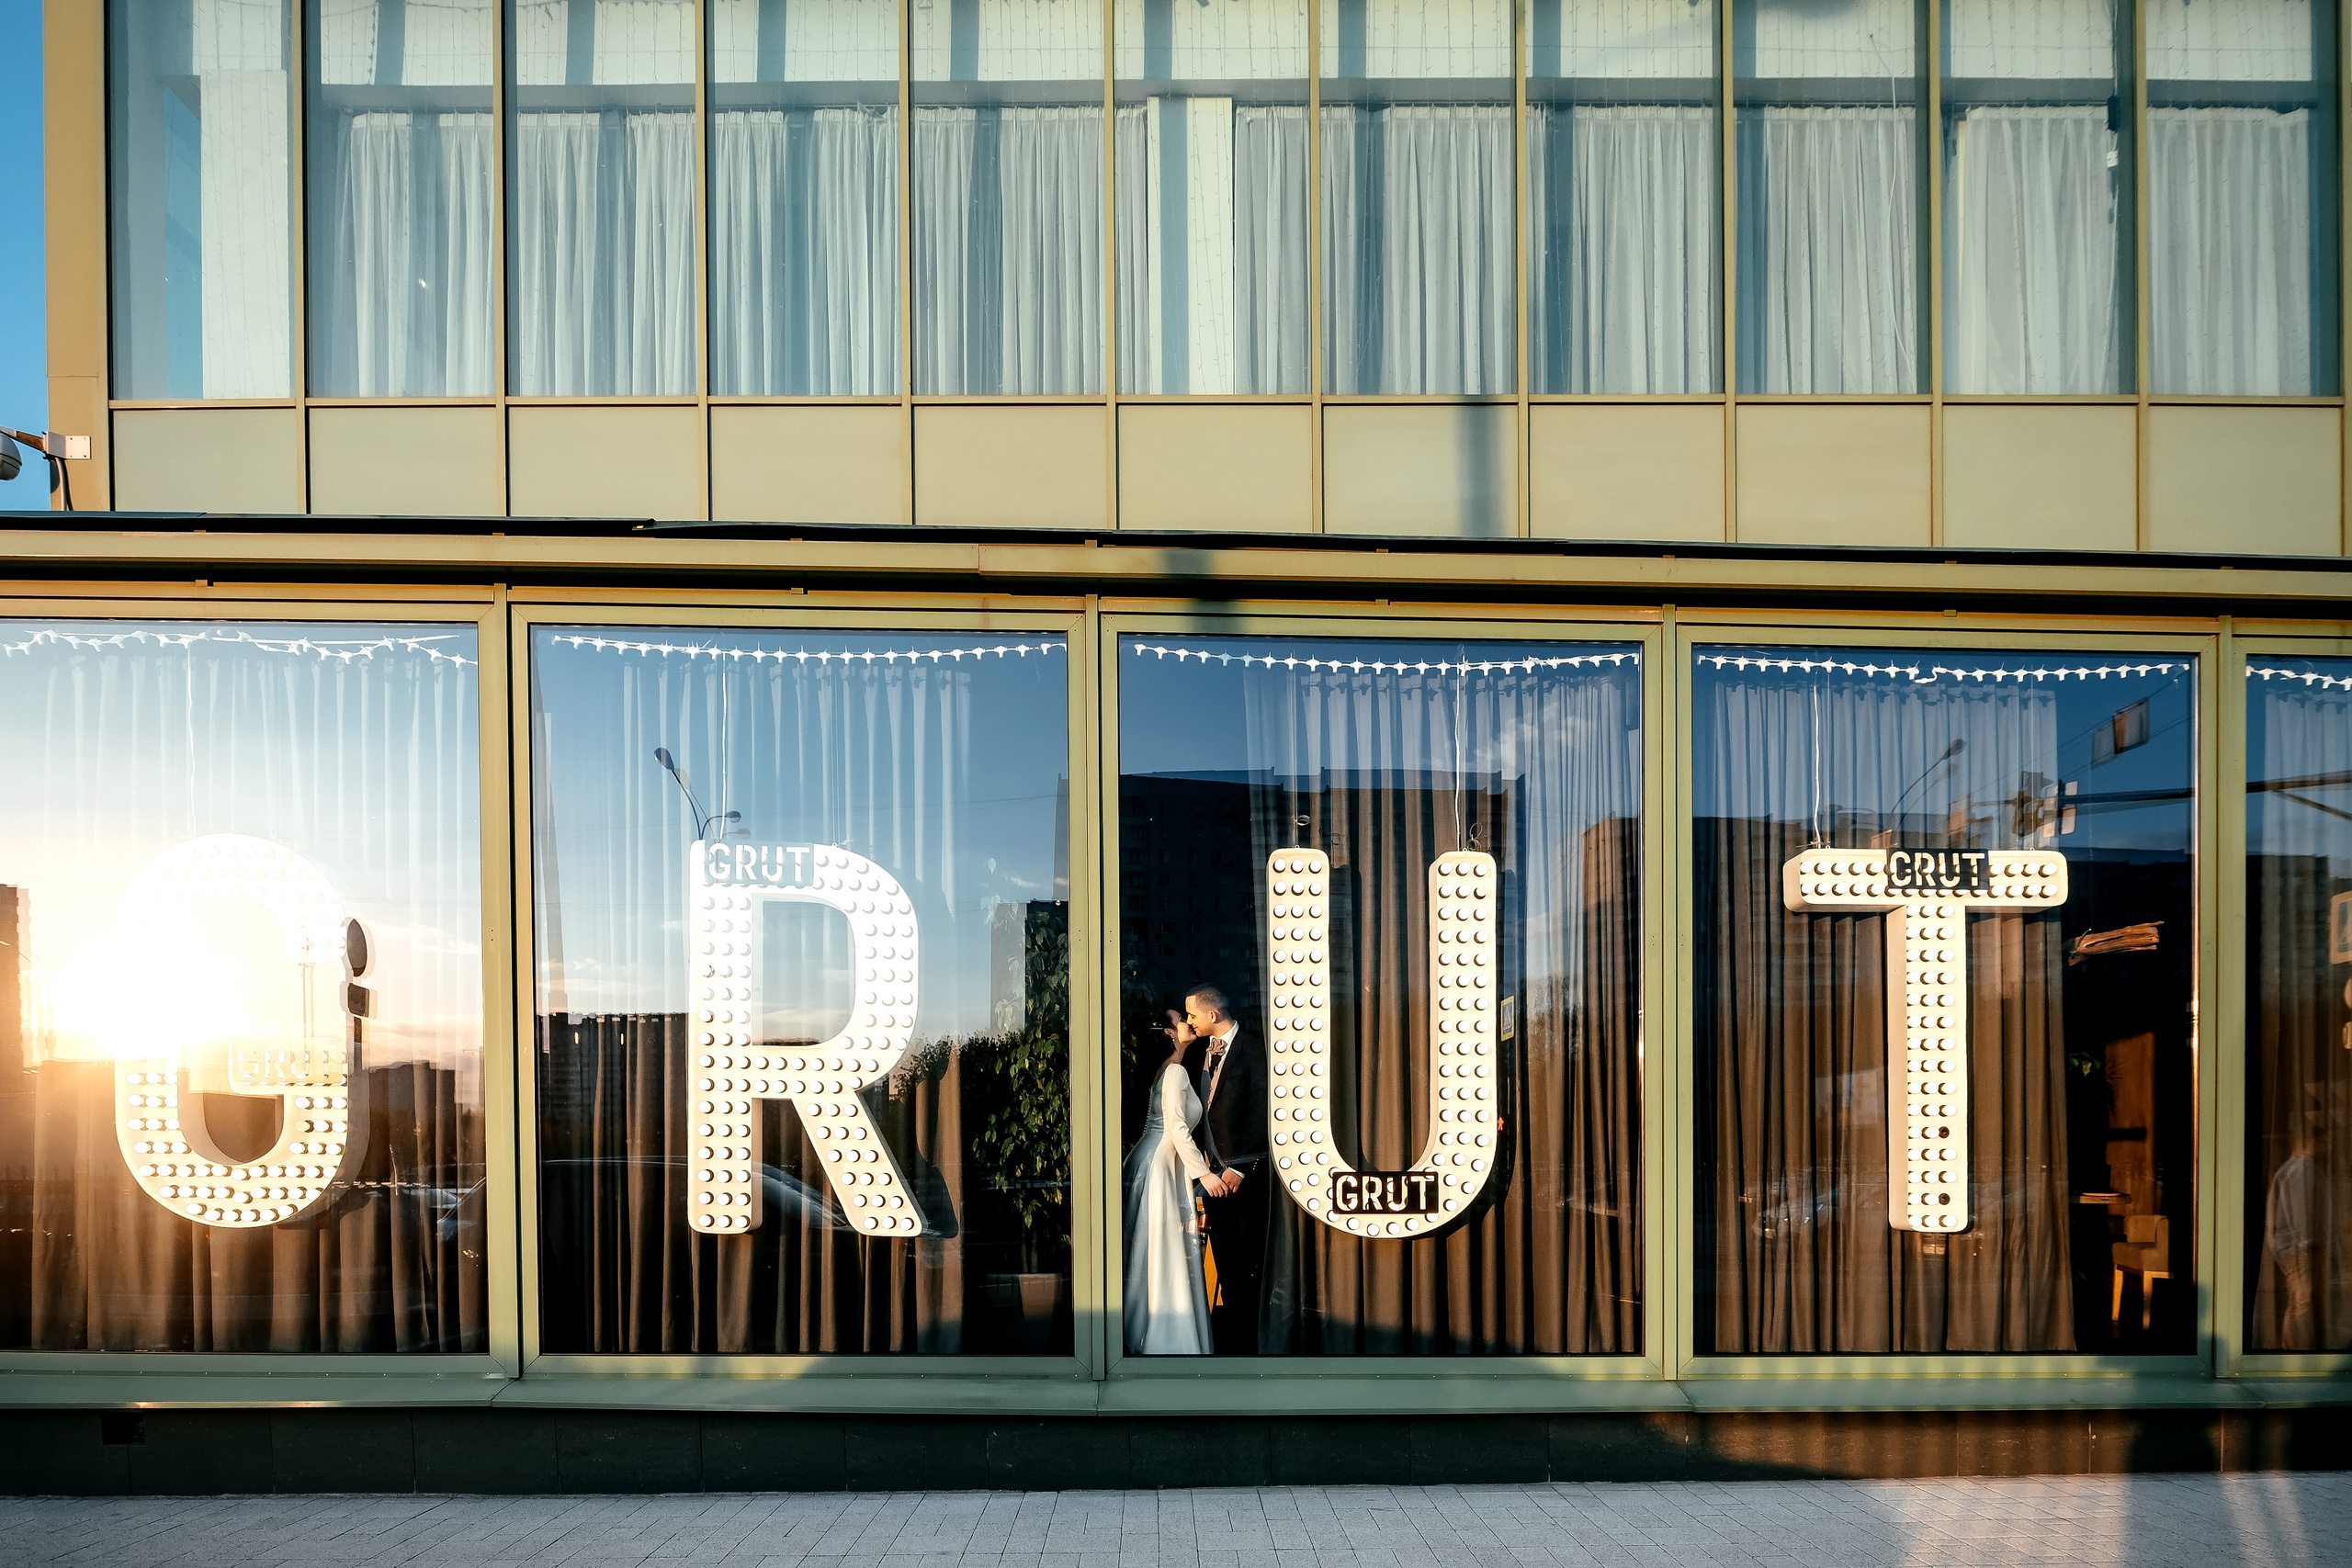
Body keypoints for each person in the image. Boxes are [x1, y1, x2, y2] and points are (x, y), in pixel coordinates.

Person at [1121, 1006, 1215, 1354]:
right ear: (1169, 1033)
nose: (1189, 1022)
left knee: (1151, 1249)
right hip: (1160, 1165)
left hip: (1150, 1160)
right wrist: (1204, 1174)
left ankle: (1146, 1332)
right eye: (1181, 1019)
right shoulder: (1175, 1070)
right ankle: (1168, 1339)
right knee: (1163, 1250)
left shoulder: (1166, 1069)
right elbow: (1177, 1126)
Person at [1184, 982, 1269, 1355]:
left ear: (1212, 1013)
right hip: (1212, 1179)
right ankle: (1233, 1347)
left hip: (1245, 1180)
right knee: (1225, 1262)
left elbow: (1261, 1111)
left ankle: (1254, 1347)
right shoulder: (1198, 1053)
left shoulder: (1253, 1048)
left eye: (1193, 1015)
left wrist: (1241, 1167)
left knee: (1249, 1264)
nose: (1190, 1021)